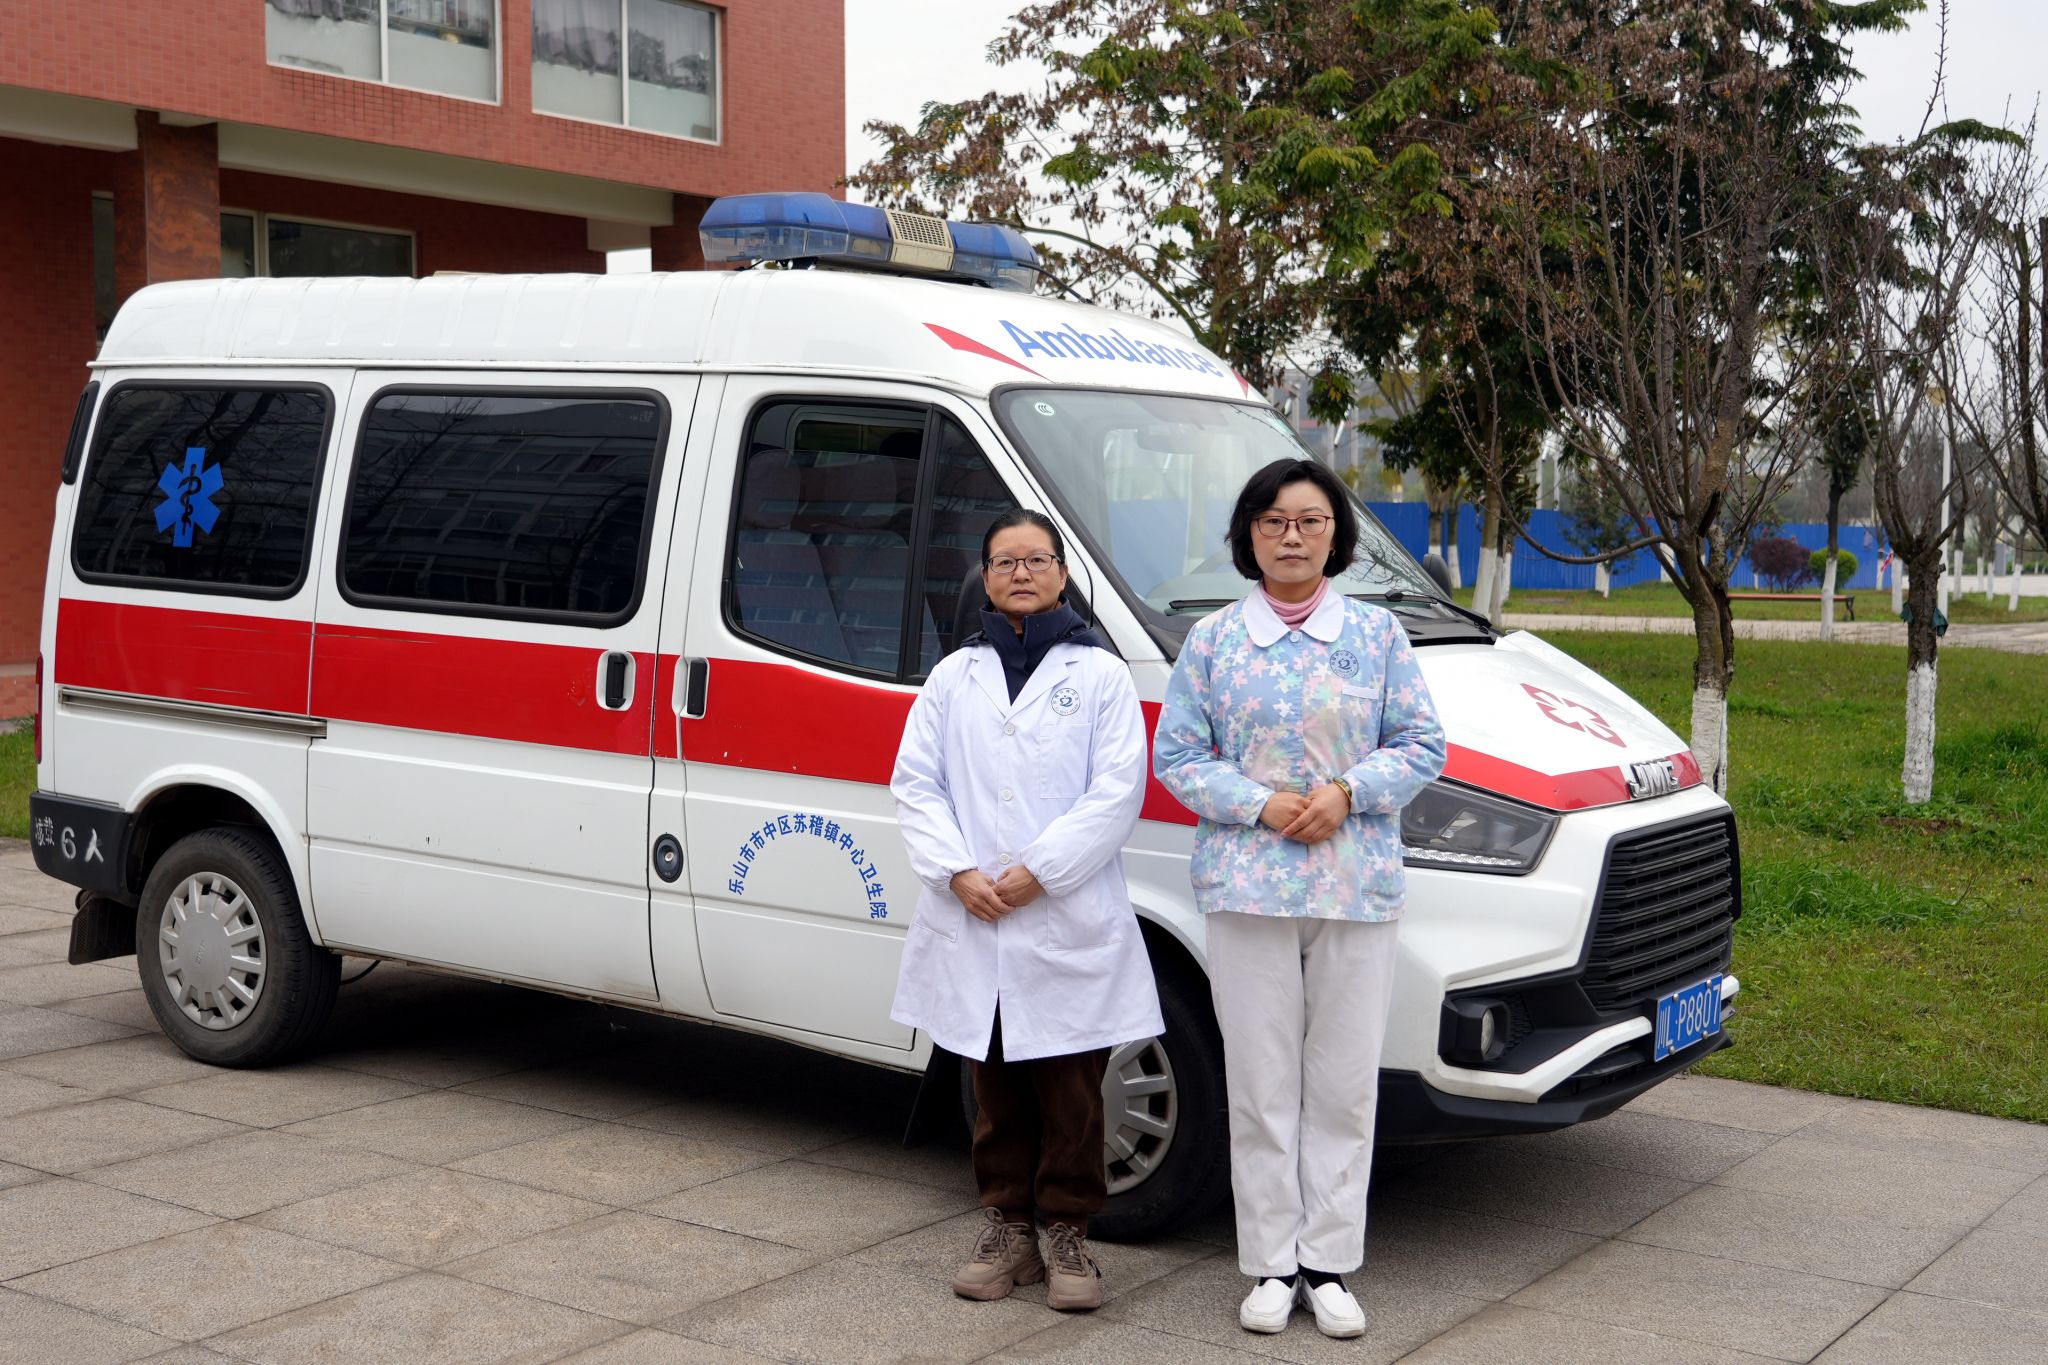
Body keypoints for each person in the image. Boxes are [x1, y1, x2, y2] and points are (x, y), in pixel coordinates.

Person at [1153, 458, 1446, 1339]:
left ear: (1335, 535)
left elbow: (1422, 742)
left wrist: (1349, 792)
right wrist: (1260, 803)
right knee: (1262, 1079)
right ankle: (1272, 1264)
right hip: (1248, 885)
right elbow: (1177, 756)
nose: (1292, 535)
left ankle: (1329, 1262)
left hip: (1355, 884)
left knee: (1345, 1083)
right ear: (1250, 534)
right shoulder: (1213, 641)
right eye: (1274, 520)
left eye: (1311, 520)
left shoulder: (1378, 635)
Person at [890, 508, 1163, 1311]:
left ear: (1062, 574)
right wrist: (957, 871)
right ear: (985, 575)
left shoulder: (1102, 675)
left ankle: (1068, 1232)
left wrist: (1039, 873)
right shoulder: (953, 677)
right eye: (1005, 561)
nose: (1020, 573)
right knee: (995, 1085)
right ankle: (1008, 1227)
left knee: (1073, 1090)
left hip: (1063, 912)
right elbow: (916, 782)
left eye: (1036, 560)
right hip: (976, 911)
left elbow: (1118, 791)